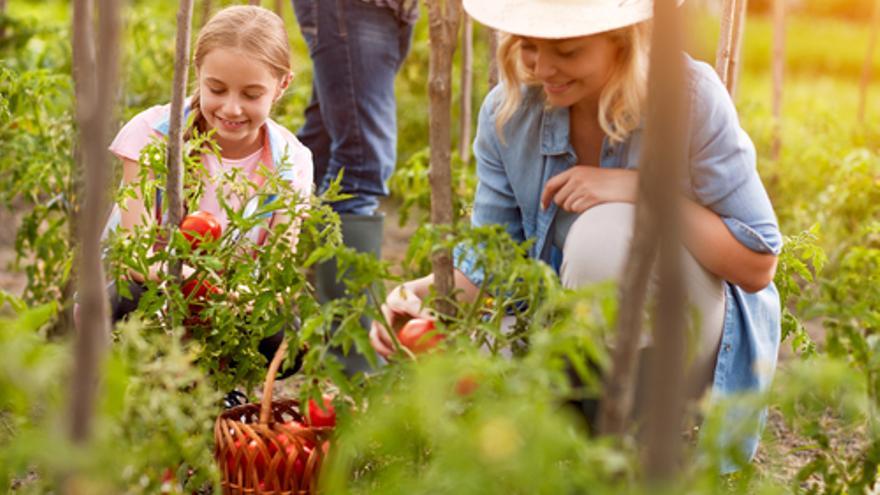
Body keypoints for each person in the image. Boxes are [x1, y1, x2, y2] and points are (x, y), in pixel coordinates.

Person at [370, 0, 782, 469]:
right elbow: (494, 259)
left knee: (601, 234)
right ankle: (575, 440)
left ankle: (637, 448)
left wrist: (644, 191)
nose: (544, 68)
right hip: (573, 339)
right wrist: (418, 293)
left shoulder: (687, 98)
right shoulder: (509, 113)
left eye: (566, 50)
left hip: (686, 336)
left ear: (624, 42)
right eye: (529, 48)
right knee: (479, 359)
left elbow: (756, 264)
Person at [105, 6, 313, 383]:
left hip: (231, 303)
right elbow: (132, 257)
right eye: (216, 89)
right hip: (156, 286)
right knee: (123, 301)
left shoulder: (291, 161)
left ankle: (223, 385)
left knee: (284, 337)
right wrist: (194, 284)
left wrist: (238, 296)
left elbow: (276, 270)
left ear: (282, 86)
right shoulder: (154, 134)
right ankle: (146, 381)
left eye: (252, 94)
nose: (231, 108)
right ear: (197, 74)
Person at [290, 0, 418, 373]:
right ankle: (352, 358)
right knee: (360, 165)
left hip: (388, 8)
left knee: (323, 143)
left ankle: (255, 286)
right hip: (355, 6)